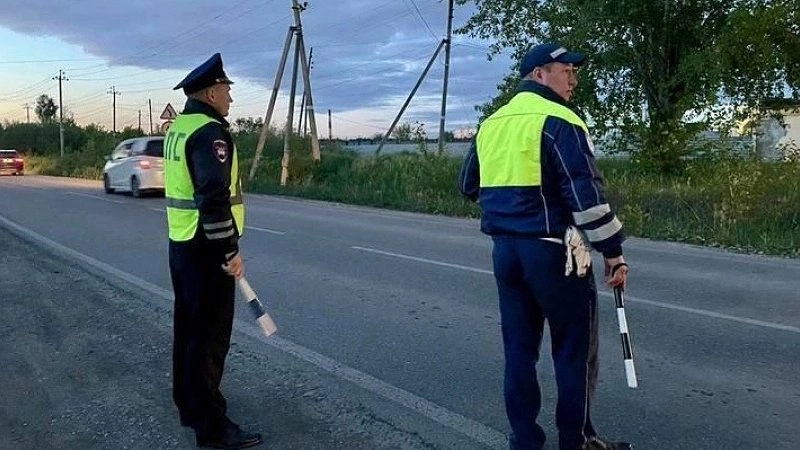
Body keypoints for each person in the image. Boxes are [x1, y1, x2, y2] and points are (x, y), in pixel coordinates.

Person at [458, 43, 632, 450]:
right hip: (555, 252)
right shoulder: (561, 120)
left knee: (519, 351)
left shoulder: (492, 123)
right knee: (573, 351)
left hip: (506, 252)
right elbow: (586, 196)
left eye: (574, 71)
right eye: (565, 70)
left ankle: (525, 442)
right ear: (539, 74)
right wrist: (613, 251)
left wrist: (510, 210)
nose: (574, 79)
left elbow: (468, 185)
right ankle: (577, 441)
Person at [165, 53, 261, 449]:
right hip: (206, 248)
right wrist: (229, 251)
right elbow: (213, 196)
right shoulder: (210, 133)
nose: (230, 98)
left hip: (182, 244)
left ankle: (190, 406)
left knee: (189, 330)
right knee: (208, 339)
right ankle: (212, 428)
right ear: (210, 93)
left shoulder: (179, 128)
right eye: (226, 90)